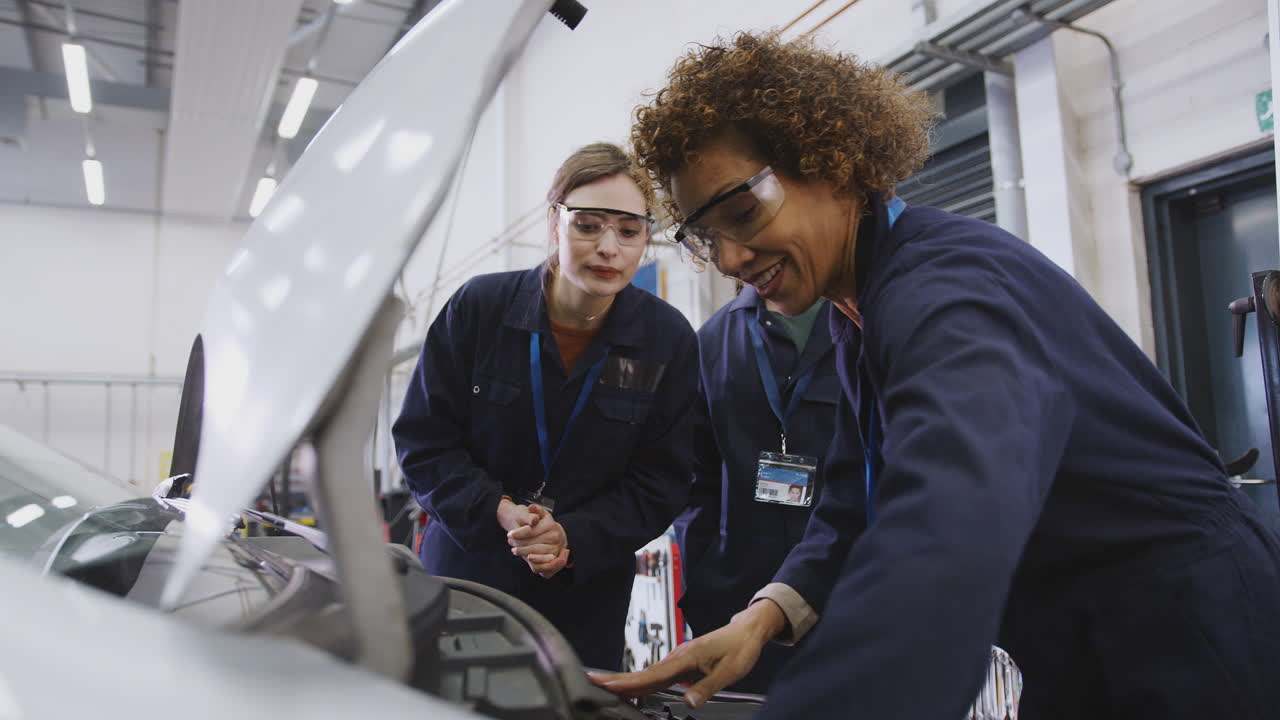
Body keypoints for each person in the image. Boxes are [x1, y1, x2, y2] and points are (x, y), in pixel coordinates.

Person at [592, 33, 1280, 719]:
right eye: (706, 238)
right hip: (1081, 628)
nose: (732, 258)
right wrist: (765, 616)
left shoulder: (943, 293)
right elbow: (854, 501)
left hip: (1186, 626)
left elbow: (947, 527)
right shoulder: (856, 310)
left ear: (831, 163)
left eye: (743, 211)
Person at [394, 142, 699, 670]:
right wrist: (498, 509)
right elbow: (425, 442)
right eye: (588, 225)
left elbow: (663, 479)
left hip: (583, 592)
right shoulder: (479, 310)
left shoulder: (666, 339)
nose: (609, 247)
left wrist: (571, 538)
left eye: (629, 231)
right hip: (469, 573)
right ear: (554, 221)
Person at [674, 291, 840, 694]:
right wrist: (706, 581)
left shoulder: (860, 325)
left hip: (850, 592)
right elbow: (696, 481)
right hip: (739, 600)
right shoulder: (712, 342)